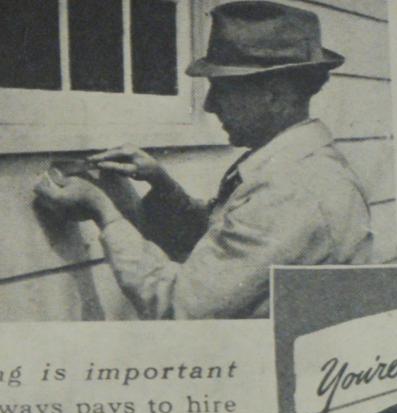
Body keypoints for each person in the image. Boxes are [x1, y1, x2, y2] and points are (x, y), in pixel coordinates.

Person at [30, 2, 373, 320]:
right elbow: (224, 246)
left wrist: (103, 213)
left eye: (221, 89)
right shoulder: (297, 166)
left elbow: (180, 307)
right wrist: (160, 184)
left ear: (275, 95)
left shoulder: (292, 189)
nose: (209, 105)